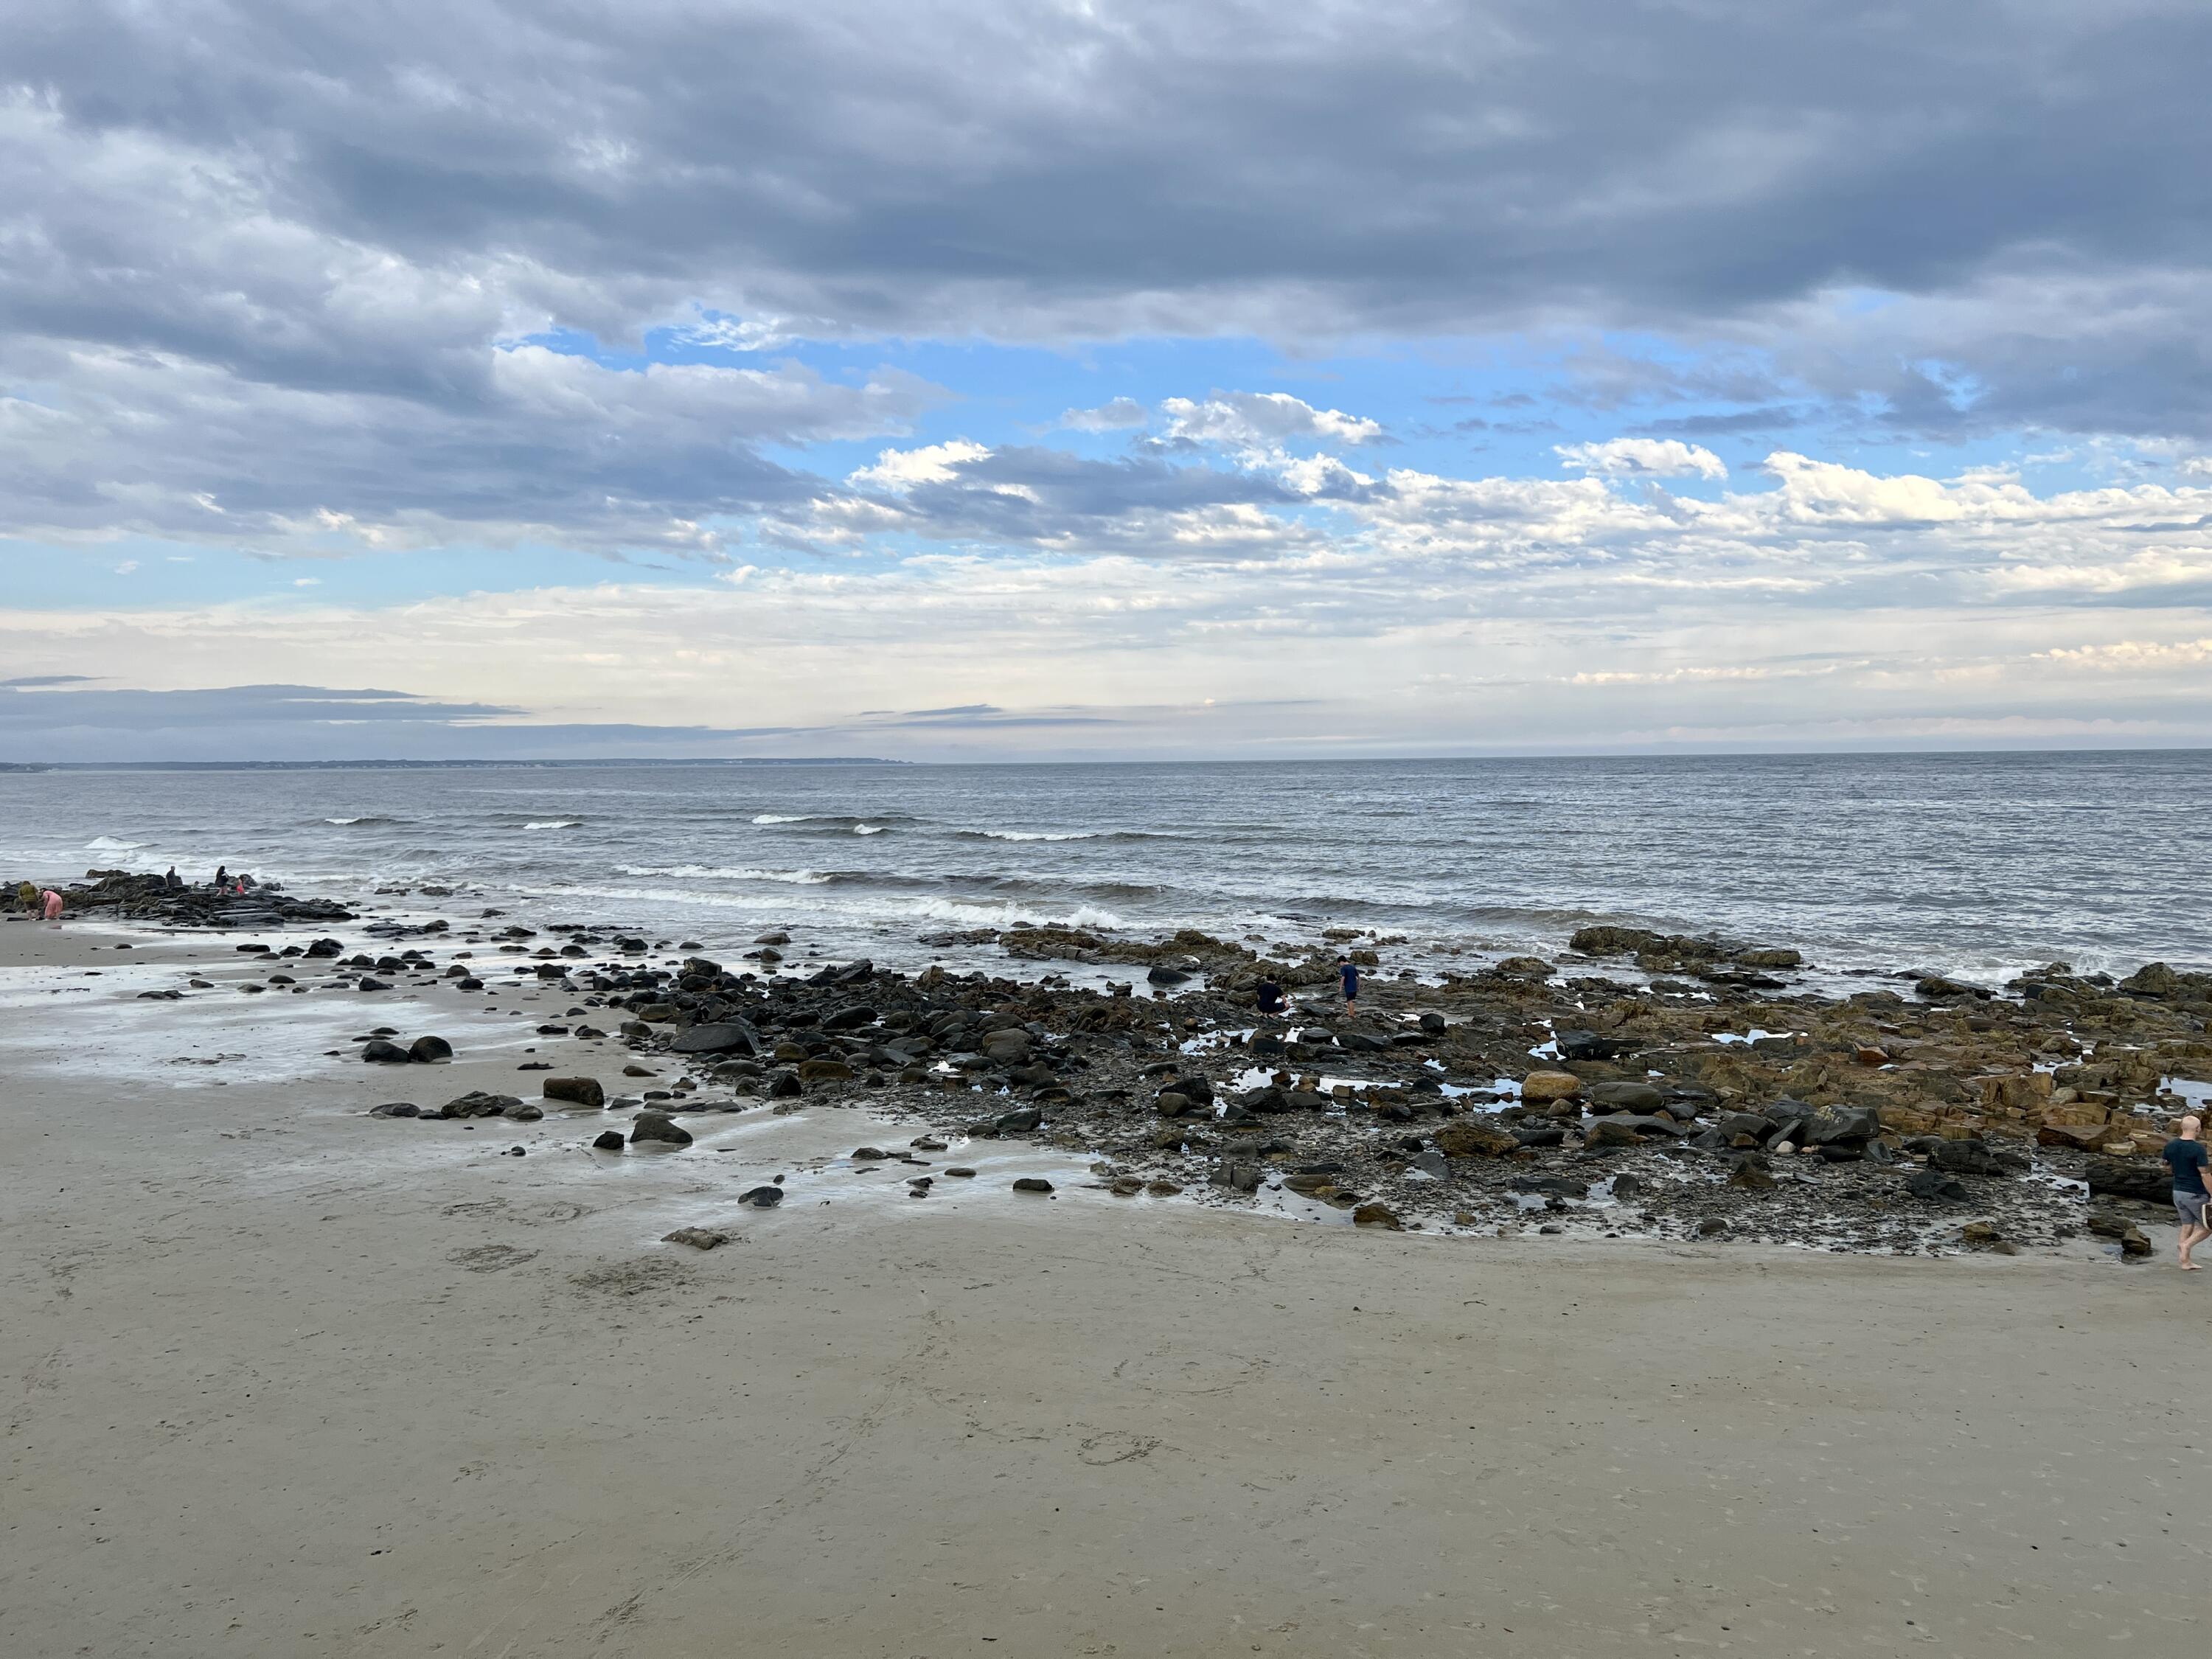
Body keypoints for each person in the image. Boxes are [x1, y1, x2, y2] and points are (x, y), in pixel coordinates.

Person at [2164, 1114, 2211, 1270]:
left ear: (2182, 1127)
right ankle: (2186, 1245)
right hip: (2195, 1193)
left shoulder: (2170, 1145)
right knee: (2208, 1226)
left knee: (2187, 1225)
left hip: (2178, 1191)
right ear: (2198, 1129)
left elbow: (2166, 1166)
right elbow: (2205, 1174)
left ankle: (2185, 1261)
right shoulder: (2198, 1149)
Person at [1338, 954, 1358, 1018]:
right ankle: (1350, 1013)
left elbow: (1343, 977)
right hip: (1354, 986)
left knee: (1350, 1000)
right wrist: (1359, 986)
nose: (1340, 965)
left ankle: (1352, 1014)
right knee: (1350, 1000)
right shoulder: (1352, 967)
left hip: (1349, 987)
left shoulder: (1344, 968)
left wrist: (1340, 987)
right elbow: (1358, 976)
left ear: (1341, 961)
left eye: (1339, 963)